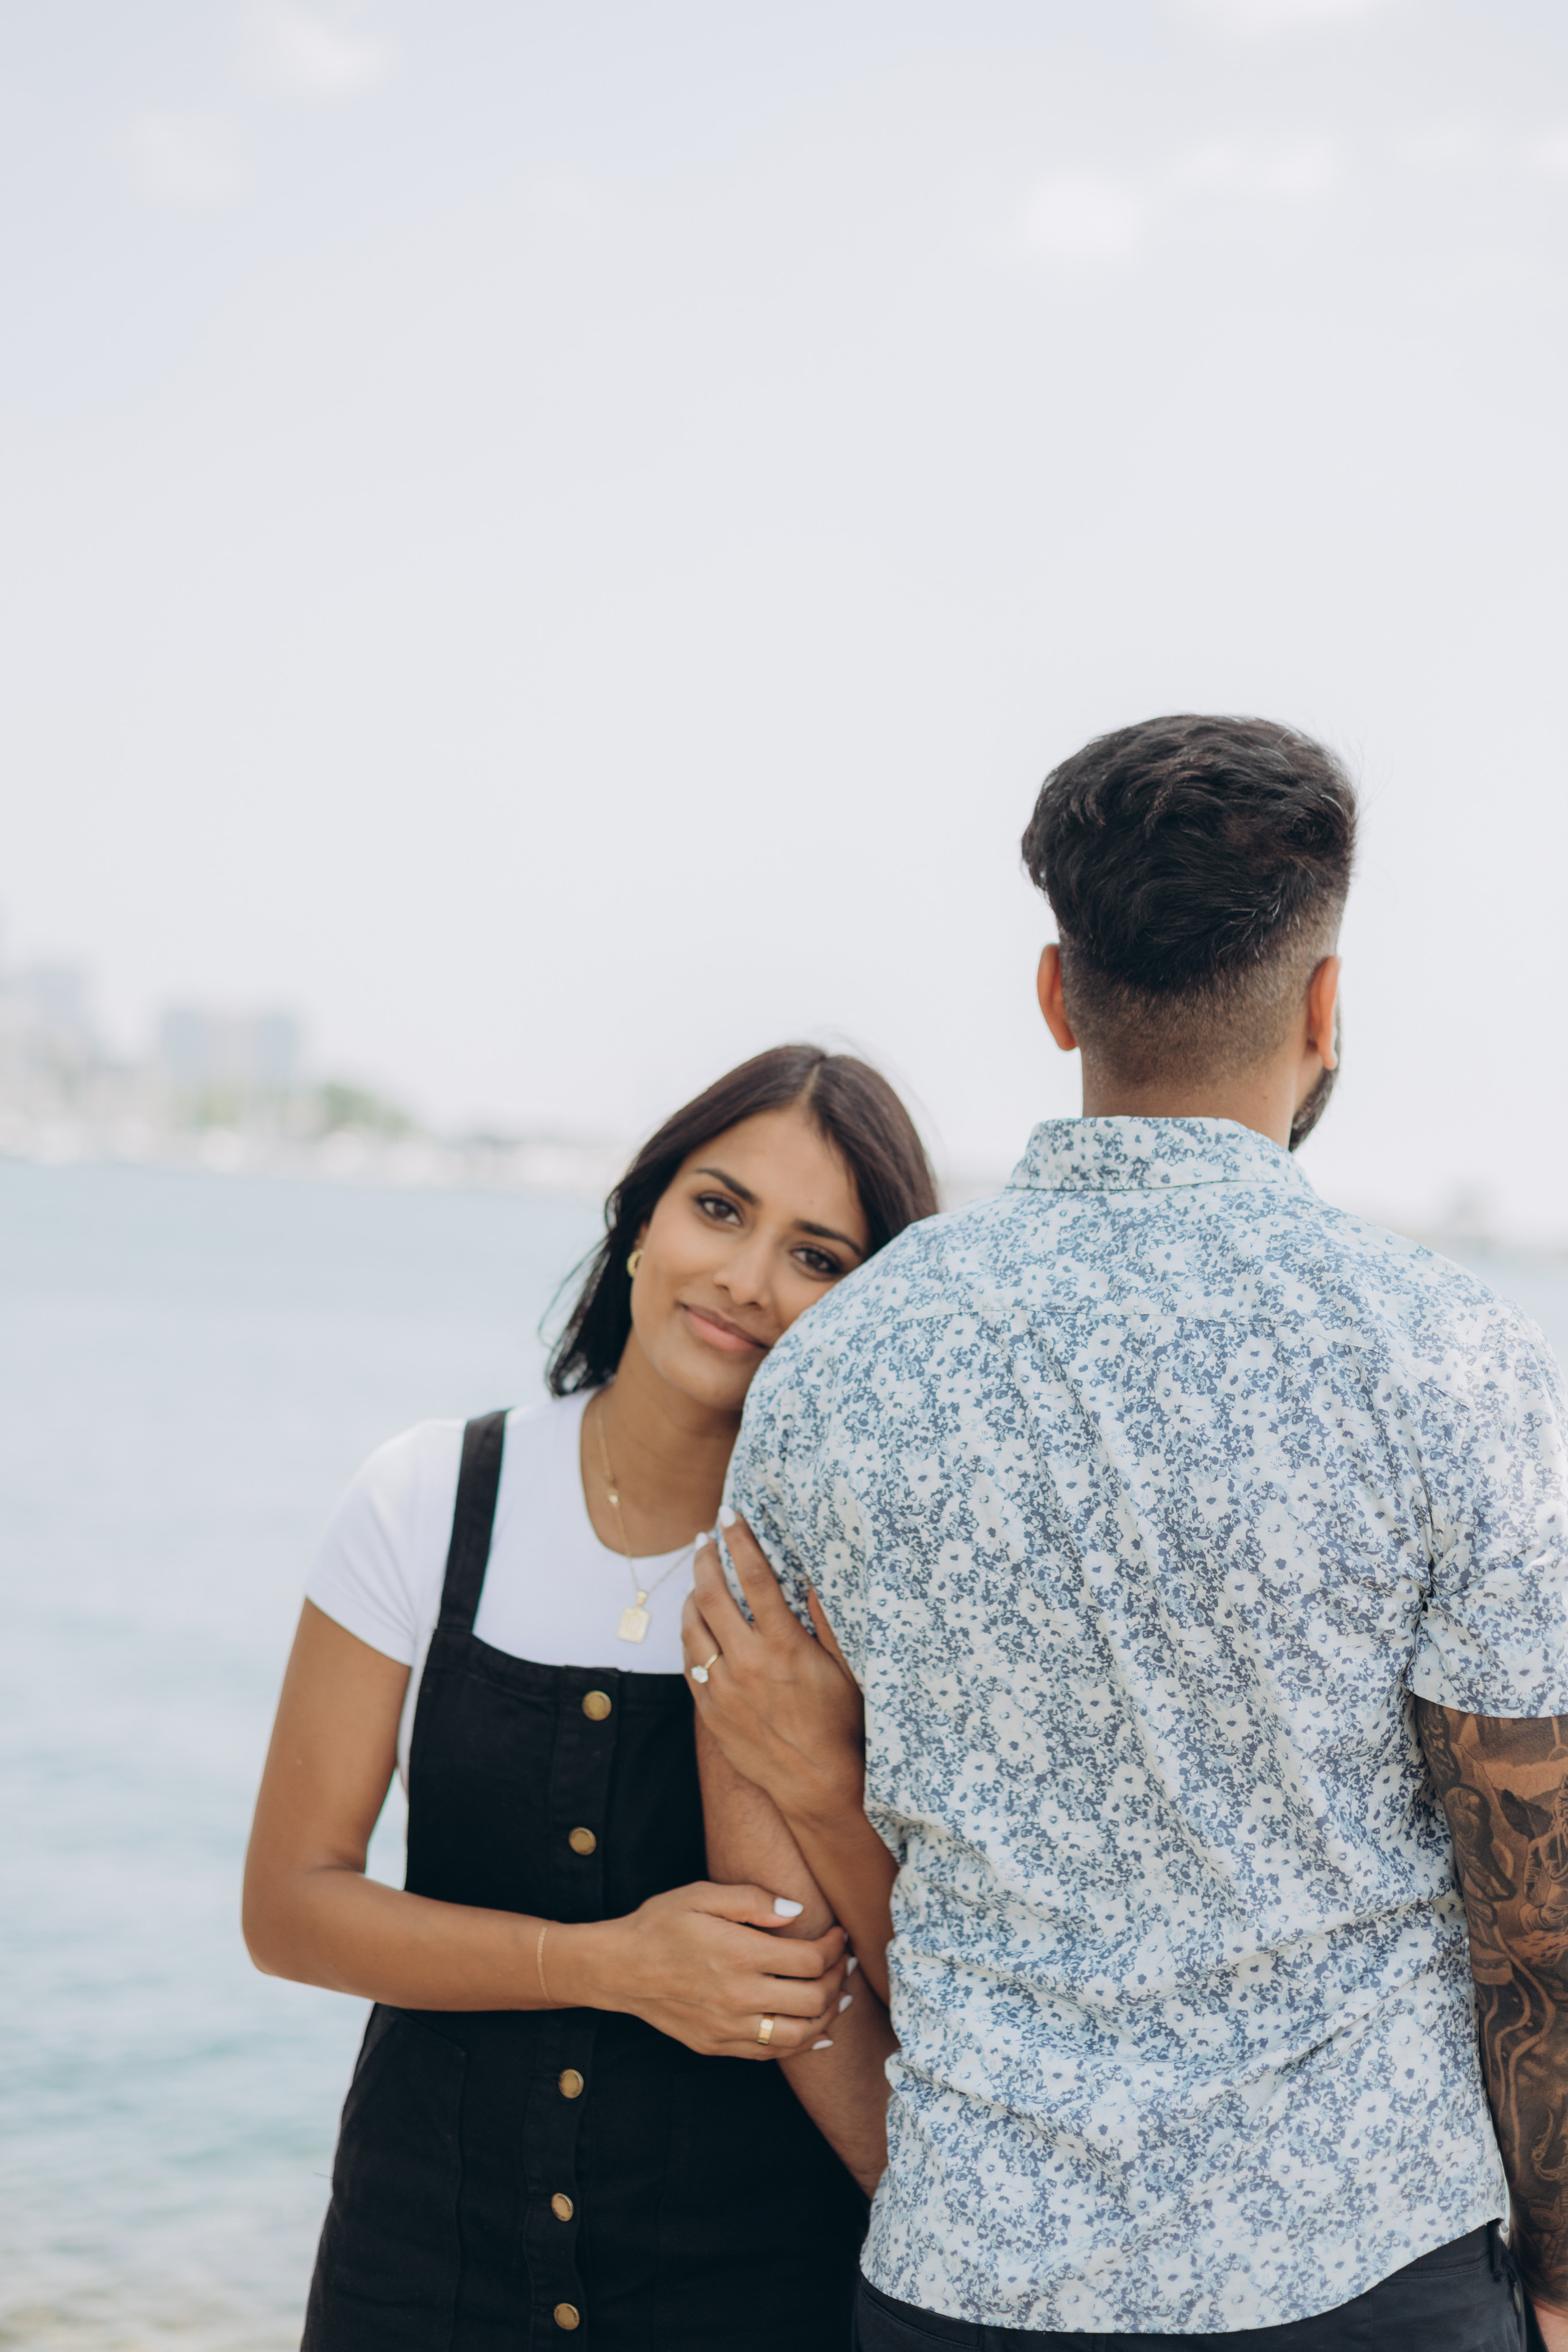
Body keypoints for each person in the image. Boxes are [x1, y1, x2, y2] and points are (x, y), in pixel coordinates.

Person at [684, 716, 1568, 2351]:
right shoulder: (1451, 1358)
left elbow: (770, 1894)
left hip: (964, 2271)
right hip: (1369, 2269)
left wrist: (942, 2202)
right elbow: (1534, 1904)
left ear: (1055, 993)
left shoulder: (833, 1368)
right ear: (1322, 1006)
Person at [241, 1042, 935, 2351]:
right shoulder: (426, 1499)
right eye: (719, 1209)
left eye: (816, 1256)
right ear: (639, 1223)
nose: (747, 1280)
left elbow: (947, 1967)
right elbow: (290, 1909)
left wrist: (818, 1777)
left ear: (870, 1311)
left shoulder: (873, 1593)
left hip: (760, 2291)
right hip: (420, 2271)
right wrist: (610, 1966)